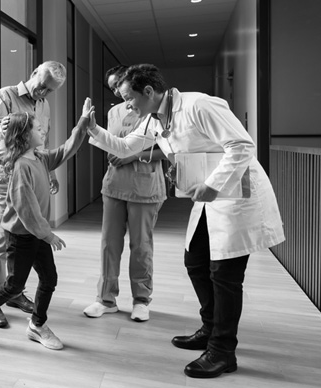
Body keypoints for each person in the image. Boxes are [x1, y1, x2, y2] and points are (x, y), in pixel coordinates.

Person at [87, 64, 285, 378]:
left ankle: (223, 351)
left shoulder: (199, 105)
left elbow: (243, 145)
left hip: (236, 196)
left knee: (225, 276)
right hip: (207, 199)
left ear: (148, 92)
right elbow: (125, 147)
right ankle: (210, 328)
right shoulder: (153, 120)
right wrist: (93, 130)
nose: (127, 105)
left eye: (129, 98)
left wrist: (213, 184)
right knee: (195, 262)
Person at [0, 98, 95, 351]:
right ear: (23, 136)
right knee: (15, 285)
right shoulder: (21, 167)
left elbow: (67, 149)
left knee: (49, 279)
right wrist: (48, 234)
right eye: (37, 128)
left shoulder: (40, 158)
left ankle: (37, 324)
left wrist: (83, 123)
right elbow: (26, 209)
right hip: (22, 236)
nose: (43, 130)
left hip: (37, 235)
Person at [0, 61, 66, 328]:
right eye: (42, 86)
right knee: (3, 235)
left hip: (34, 168)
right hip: (7, 171)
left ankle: (14, 292)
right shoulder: (6, 95)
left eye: (49, 91)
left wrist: (50, 172)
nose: (43, 93)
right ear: (33, 74)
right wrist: (2, 129)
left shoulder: (44, 105)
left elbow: (45, 138)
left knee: (25, 234)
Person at [83, 65, 166, 322]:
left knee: (141, 246)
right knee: (109, 244)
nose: (118, 92)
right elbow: (112, 142)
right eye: (112, 88)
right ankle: (105, 299)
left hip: (145, 186)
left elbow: (168, 149)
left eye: (120, 84)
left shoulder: (151, 108)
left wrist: (133, 156)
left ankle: (141, 300)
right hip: (115, 185)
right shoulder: (113, 111)